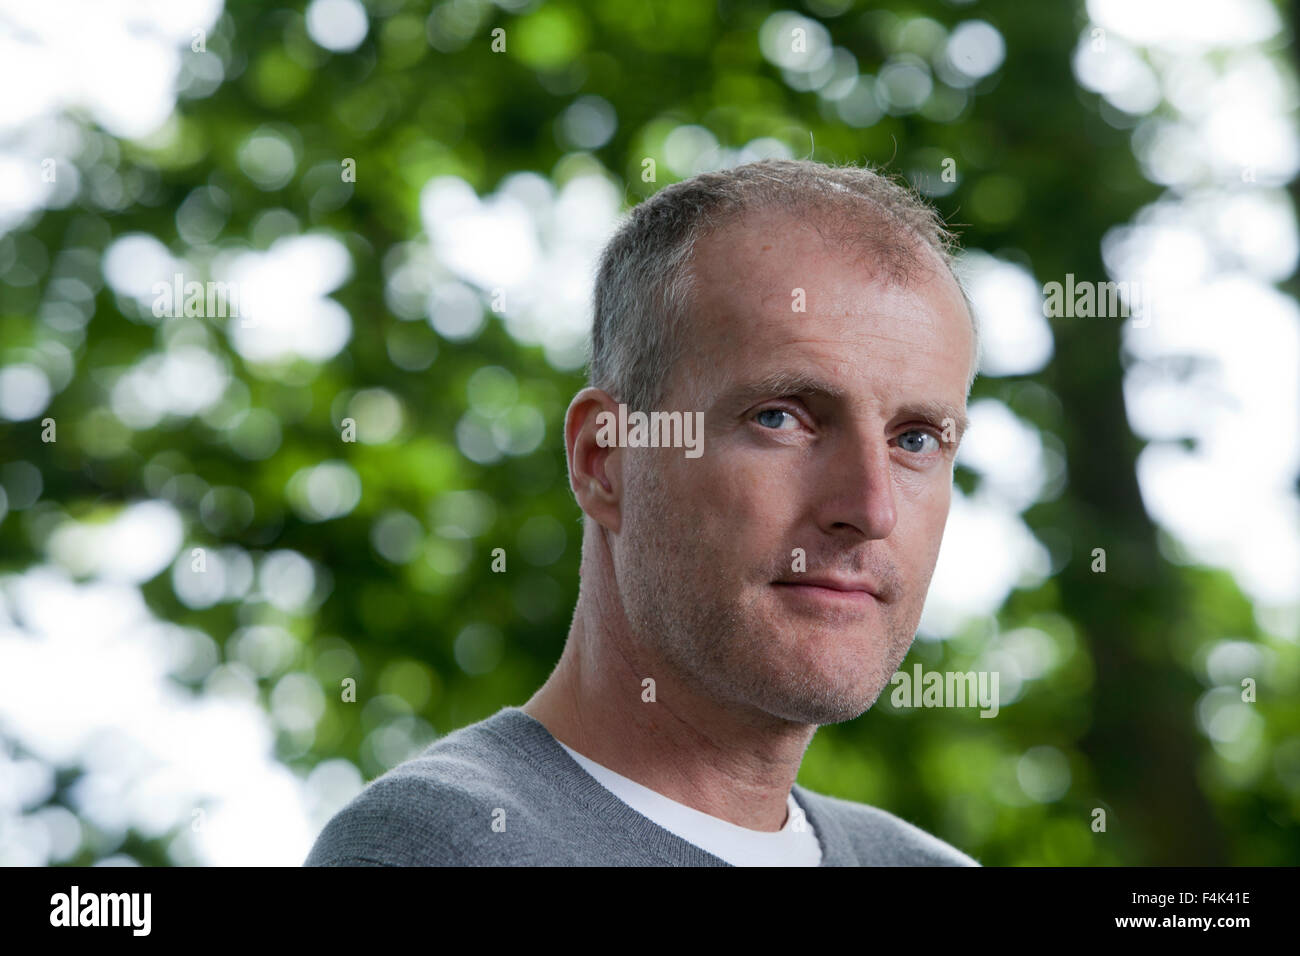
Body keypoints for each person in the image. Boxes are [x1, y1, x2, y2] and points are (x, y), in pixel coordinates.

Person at [305, 158, 981, 866]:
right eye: (781, 418)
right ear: (605, 460)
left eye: (914, 440)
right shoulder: (438, 849)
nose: (871, 509)